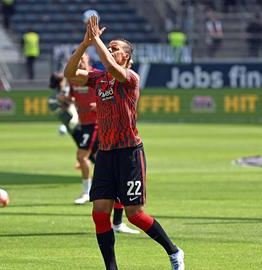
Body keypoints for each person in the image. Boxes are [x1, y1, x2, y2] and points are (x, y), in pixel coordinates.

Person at [64, 15, 184, 269]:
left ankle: (174, 252)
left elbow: (110, 66)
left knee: (135, 214)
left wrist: (96, 39)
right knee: (99, 214)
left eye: (115, 48)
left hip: (129, 152)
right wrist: (85, 44)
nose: (109, 50)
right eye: (109, 47)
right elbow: (69, 73)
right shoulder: (99, 79)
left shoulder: (129, 78)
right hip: (106, 155)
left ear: (127, 57)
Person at [59, 52, 139, 234]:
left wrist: (100, 103)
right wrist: (65, 101)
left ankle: (87, 193)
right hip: (86, 124)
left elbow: (110, 92)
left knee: (81, 156)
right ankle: (117, 222)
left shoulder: (100, 76)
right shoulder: (79, 79)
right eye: (77, 59)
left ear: (89, 60)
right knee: (108, 171)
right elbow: (71, 94)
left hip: (97, 125)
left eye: (83, 59)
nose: (80, 61)